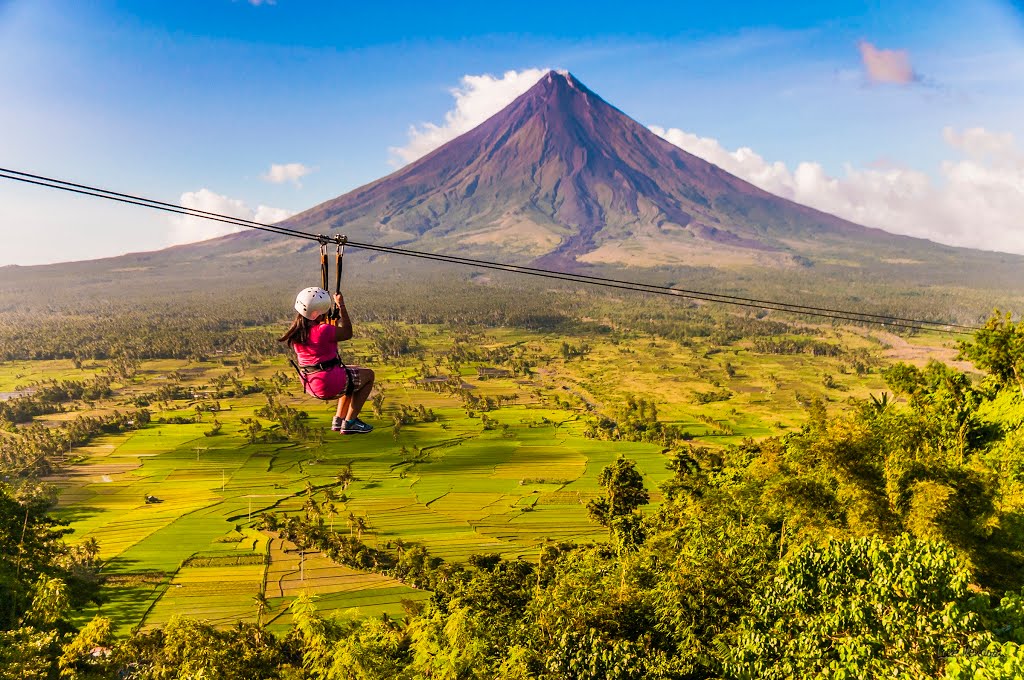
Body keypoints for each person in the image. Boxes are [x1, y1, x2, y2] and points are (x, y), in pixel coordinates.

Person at [279, 287, 375, 434]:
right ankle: (350, 422)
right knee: (368, 375)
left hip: (311, 383)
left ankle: (338, 420)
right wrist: (341, 305)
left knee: (353, 371)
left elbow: (323, 345)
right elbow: (347, 333)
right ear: (319, 312)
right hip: (328, 384)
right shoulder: (322, 330)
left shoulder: (298, 332)